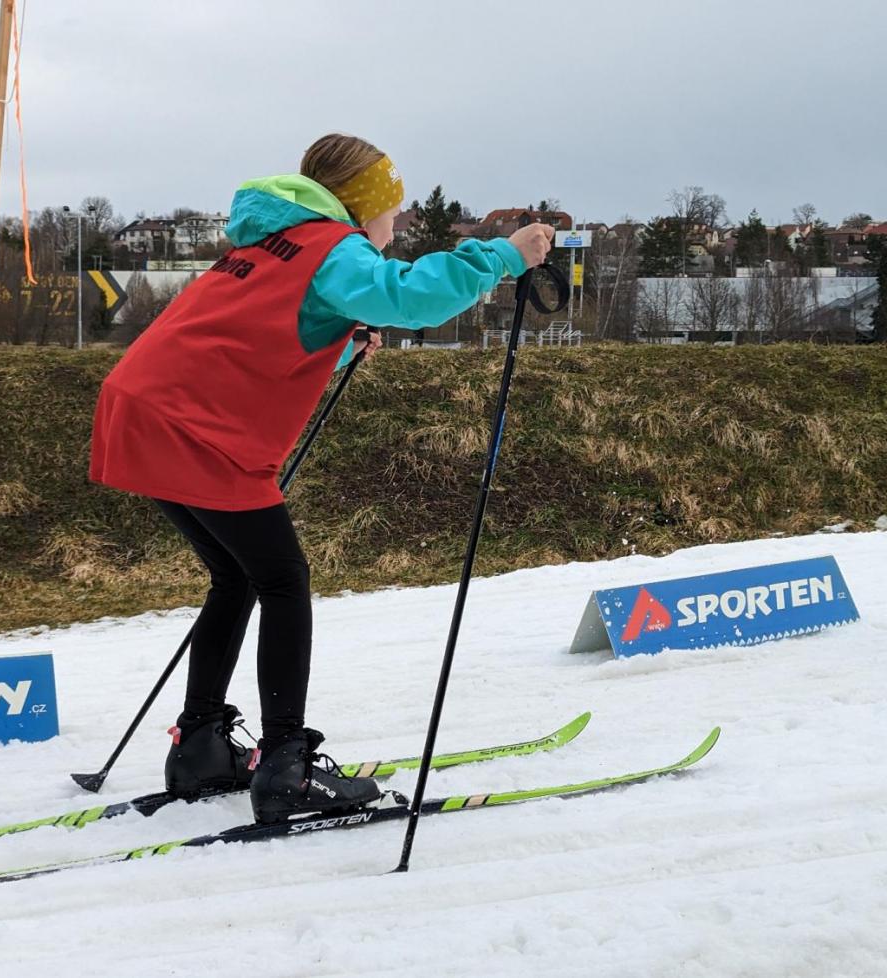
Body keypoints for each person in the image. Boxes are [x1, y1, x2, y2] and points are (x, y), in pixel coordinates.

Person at [89, 134, 553, 823]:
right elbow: (410, 299)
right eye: (391, 212)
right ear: (363, 207)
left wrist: (337, 341)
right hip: (198, 429)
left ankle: (202, 748)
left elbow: (260, 338)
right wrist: (505, 254)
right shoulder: (334, 246)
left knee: (238, 577)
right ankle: (284, 766)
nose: (395, 227)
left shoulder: (275, 239)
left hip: (141, 411)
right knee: (283, 582)